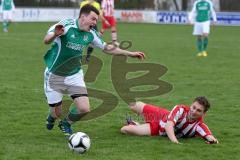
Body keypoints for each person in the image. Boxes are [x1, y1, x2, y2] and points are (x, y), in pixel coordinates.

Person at [43, 4, 145, 136]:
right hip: (55, 75)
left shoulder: (91, 34)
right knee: (56, 113)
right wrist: (54, 35)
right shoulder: (66, 26)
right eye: (93, 19)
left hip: (74, 74)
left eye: (96, 20)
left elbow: (108, 48)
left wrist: (130, 53)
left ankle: (66, 123)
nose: (95, 23)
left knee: (84, 108)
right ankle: (52, 117)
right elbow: (46, 40)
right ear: (83, 17)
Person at [121, 96, 219, 144]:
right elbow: (169, 125)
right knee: (133, 105)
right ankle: (139, 121)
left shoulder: (199, 126)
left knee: (125, 130)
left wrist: (212, 141)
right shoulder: (181, 109)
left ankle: (135, 124)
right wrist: (175, 142)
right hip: (162, 115)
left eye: (198, 110)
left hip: (157, 128)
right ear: (191, 104)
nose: (193, 111)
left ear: (203, 113)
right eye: (193, 107)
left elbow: (210, 136)